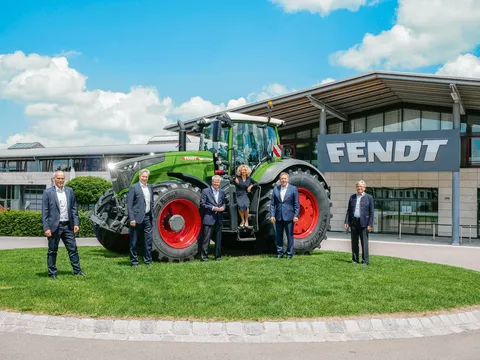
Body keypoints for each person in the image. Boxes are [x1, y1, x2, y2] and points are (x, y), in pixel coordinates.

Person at [42, 171, 85, 279]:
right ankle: (52, 273)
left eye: (62, 178)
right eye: (58, 178)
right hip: (54, 227)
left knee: (73, 249)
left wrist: (76, 223)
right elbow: (45, 212)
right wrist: (46, 228)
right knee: (52, 251)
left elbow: (74, 208)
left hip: (68, 226)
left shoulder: (70, 191)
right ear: (54, 179)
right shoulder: (48, 193)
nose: (61, 180)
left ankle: (77, 271)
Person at [127, 169, 154, 267]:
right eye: (143, 176)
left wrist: (152, 214)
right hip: (136, 219)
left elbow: (151, 202)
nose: (145, 178)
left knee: (148, 241)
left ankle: (148, 261)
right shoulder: (134, 188)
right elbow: (129, 205)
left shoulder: (150, 187)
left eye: (146, 177)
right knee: (133, 242)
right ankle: (134, 262)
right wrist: (132, 219)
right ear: (139, 177)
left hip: (148, 217)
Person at [270, 172, 299, 259]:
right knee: (279, 236)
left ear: (288, 179)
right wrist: (272, 215)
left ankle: (289, 254)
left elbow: (296, 204)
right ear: (280, 180)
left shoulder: (293, 189)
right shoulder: (276, 189)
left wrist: (296, 215)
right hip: (278, 216)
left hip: (289, 217)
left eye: (285, 178)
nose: (283, 180)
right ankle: (280, 253)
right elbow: (272, 204)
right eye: (282, 179)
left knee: (290, 236)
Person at [344, 180, 374, 265]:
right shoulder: (352, 197)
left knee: (364, 243)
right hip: (354, 222)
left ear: (364, 188)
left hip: (364, 223)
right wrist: (346, 221)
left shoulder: (369, 198)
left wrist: (370, 224)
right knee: (354, 242)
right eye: (358, 187)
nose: (359, 188)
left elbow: (371, 212)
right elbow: (349, 210)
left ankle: (365, 261)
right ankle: (355, 260)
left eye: (361, 187)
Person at [199, 175, 225, 261]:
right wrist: (213, 208)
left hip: (219, 218)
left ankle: (218, 256)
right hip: (209, 218)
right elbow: (202, 204)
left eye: (218, 182)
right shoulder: (205, 191)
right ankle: (204, 256)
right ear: (212, 182)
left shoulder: (222, 192)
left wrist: (223, 208)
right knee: (206, 239)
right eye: (215, 182)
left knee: (218, 239)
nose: (216, 183)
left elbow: (224, 203)